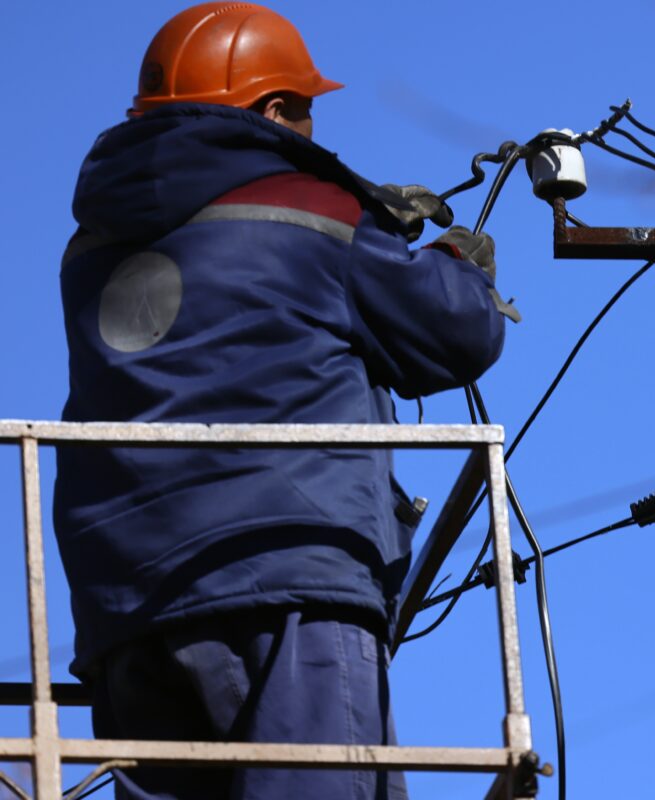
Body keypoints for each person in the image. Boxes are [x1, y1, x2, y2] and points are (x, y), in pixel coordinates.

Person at [54, 4, 514, 798]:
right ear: (271, 111)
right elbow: (454, 333)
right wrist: (452, 259)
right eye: (305, 110)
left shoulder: (91, 246)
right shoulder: (316, 213)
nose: (313, 129)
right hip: (286, 576)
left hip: (125, 603)